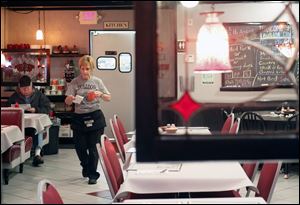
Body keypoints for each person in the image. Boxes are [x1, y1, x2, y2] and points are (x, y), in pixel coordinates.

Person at [65, 55, 111, 185]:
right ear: (79, 68)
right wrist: (70, 98)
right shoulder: (74, 82)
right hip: (79, 118)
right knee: (80, 147)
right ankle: (85, 165)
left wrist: (100, 94)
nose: (85, 71)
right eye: (82, 68)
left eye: (87, 69)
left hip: (95, 117)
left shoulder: (97, 81)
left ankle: (93, 174)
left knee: (94, 148)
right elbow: (68, 101)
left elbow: (109, 97)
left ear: (92, 69)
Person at [7, 75, 51, 166]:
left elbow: (47, 108)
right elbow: (7, 108)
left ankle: (37, 154)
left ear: (31, 86)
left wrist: (36, 109)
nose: (25, 91)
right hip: (21, 125)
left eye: (27, 88)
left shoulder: (39, 95)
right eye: (23, 89)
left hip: (34, 126)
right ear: (19, 88)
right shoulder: (15, 96)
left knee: (38, 129)